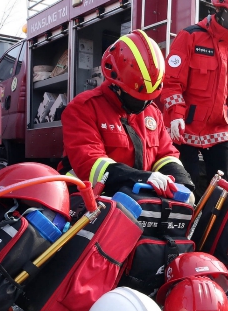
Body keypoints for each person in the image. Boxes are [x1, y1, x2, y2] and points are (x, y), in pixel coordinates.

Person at [60, 30, 193, 199]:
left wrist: (182, 183)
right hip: (87, 199)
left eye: (149, 98)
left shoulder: (152, 112)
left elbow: (166, 154)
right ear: (116, 85)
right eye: (136, 97)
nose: (143, 104)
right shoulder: (84, 107)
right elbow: (90, 164)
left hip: (135, 197)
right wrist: (142, 178)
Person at [161, 0, 228, 197]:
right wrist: (176, 115)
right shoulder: (190, 37)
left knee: (222, 192)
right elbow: (171, 82)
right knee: (186, 187)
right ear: (219, 9)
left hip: (219, 131)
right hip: (185, 128)